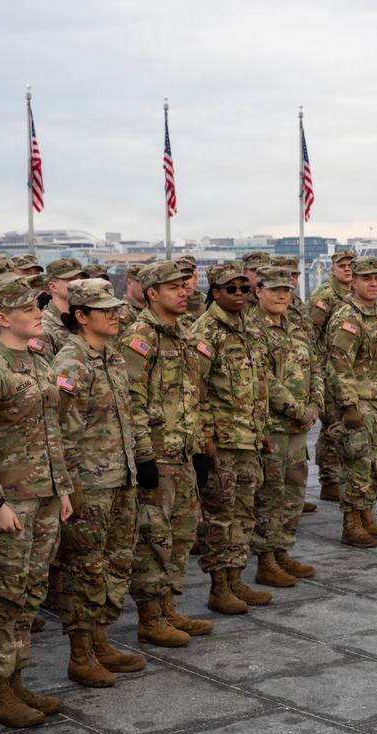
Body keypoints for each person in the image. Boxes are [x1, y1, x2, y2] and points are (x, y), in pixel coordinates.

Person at [0, 277, 74, 729]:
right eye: (28, 308)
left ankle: (15, 680)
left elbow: (52, 431)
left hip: (44, 495)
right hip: (11, 500)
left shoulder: (40, 358)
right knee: (2, 596)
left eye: (38, 306)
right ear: (2, 318)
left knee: (30, 591)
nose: (37, 313)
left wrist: (62, 489)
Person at [51, 278, 147, 687]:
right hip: (90, 483)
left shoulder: (110, 356)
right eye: (104, 310)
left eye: (115, 307)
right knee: (85, 569)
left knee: (116, 564)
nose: (115, 314)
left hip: (120, 476)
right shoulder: (71, 363)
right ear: (80, 316)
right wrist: (69, 487)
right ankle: (81, 653)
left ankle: (101, 639)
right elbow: (62, 433)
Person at [120, 261, 213, 646]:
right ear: (151, 293)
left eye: (184, 285)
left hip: (182, 452)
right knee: (153, 539)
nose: (183, 291)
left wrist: (201, 444)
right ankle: (149, 616)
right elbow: (132, 399)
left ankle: (167, 605)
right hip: (157, 456)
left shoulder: (183, 333)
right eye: (172, 287)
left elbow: (195, 393)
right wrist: (143, 456)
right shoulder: (141, 337)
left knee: (180, 534)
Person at [192, 262, 294, 613]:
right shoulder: (206, 330)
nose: (238, 294)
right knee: (219, 517)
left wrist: (262, 429)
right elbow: (196, 390)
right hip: (221, 442)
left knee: (243, 513)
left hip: (248, 439)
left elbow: (257, 383)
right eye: (230, 289)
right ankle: (218, 586)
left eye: (243, 288)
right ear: (215, 292)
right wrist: (205, 437)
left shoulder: (248, 326)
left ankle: (236, 579)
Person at [250, 266, 321, 586]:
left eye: (287, 289)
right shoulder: (253, 329)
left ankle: (282, 551)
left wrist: (315, 405)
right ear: (258, 291)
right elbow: (263, 380)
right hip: (272, 426)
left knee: (294, 490)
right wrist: (297, 410)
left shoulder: (296, 326)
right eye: (274, 289)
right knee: (270, 494)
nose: (282, 295)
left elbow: (316, 367)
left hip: (298, 426)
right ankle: (266, 559)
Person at [324, 255, 377, 548]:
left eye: (376, 278)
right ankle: (351, 525)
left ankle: (367, 518)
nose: (372, 284)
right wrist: (348, 406)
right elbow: (338, 362)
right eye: (365, 278)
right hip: (359, 405)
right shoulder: (348, 316)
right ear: (352, 282)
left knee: (374, 465)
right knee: (356, 464)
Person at [306, 249, 355, 503]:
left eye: (351, 265)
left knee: (345, 425)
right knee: (332, 425)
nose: (347, 269)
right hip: (327, 372)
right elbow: (309, 333)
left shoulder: (356, 293)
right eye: (343, 265)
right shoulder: (324, 296)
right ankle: (329, 480)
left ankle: (341, 476)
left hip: (349, 372)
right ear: (332, 269)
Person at [41, 259, 88, 356]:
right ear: (53, 287)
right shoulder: (43, 326)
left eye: (81, 278)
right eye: (71, 279)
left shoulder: (86, 318)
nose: (79, 283)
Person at [176, 256, 208, 323]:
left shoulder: (209, 304)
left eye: (188, 277)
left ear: (195, 277)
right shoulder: (169, 307)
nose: (185, 283)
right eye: (181, 278)